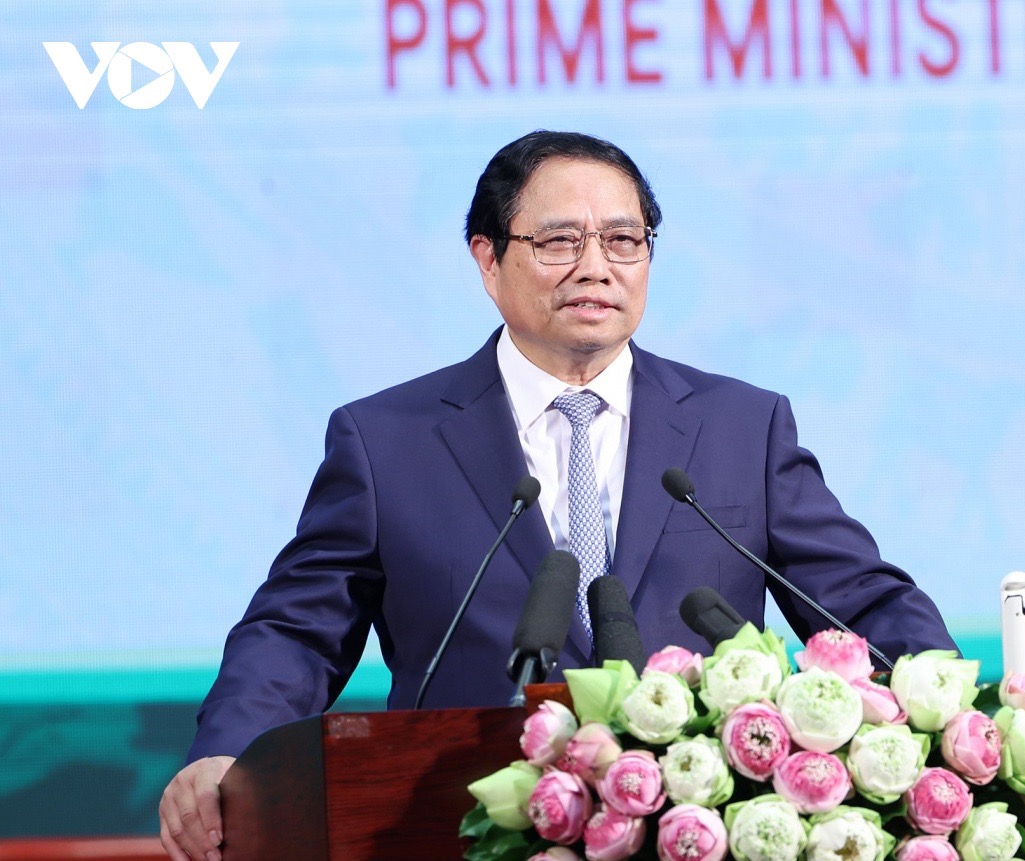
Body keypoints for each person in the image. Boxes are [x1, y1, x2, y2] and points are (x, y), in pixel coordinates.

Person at [158, 130, 957, 861]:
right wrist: (227, 751)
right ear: (487, 258)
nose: (595, 266)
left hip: (700, 829)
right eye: (558, 241)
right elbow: (298, 631)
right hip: (463, 826)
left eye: (623, 240)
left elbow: (860, 600)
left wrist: (953, 709)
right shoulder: (386, 441)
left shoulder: (742, 426)